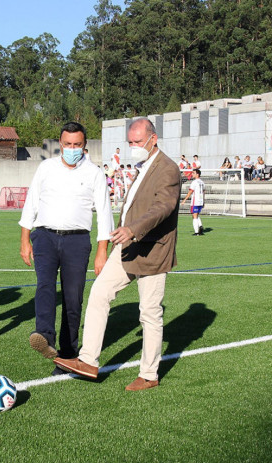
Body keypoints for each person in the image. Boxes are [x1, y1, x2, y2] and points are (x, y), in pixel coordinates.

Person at [53, 118, 180, 392]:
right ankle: (88, 361)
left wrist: (133, 230)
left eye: (137, 142)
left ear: (153, 139)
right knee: (100, 293)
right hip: (127, 247)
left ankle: (149, 374)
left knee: (149, 313)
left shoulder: (168, 169)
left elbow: (161, 209)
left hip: (152, 251)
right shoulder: (141, 166)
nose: (133, 147)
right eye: (130, 142)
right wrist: (123, 235)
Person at [19, 122, 113, 373]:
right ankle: (45, 337)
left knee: (73, 297)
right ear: (60, 144)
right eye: (68, 144)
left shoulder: (94, 173)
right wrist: (24, 239)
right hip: (45, 237)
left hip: (77, 241)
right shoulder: (46, 167)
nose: (72, 149)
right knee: (45, 287)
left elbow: (105, 214)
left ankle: (68, 354)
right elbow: (31, 203)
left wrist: (103, 251)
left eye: (77, 145)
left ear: (84, 146)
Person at [181, 168, 205, 235]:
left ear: (197, 174)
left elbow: (190, 191)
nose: (192, 174)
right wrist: (204, 202)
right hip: (200, 201)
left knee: (194, 216)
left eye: (193, 173)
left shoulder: (194, 182)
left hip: (195, 201)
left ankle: (196, 232)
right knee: (196, 215)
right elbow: (203, 192)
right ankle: (200, 226)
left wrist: (184, 200)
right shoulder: (202, 182)